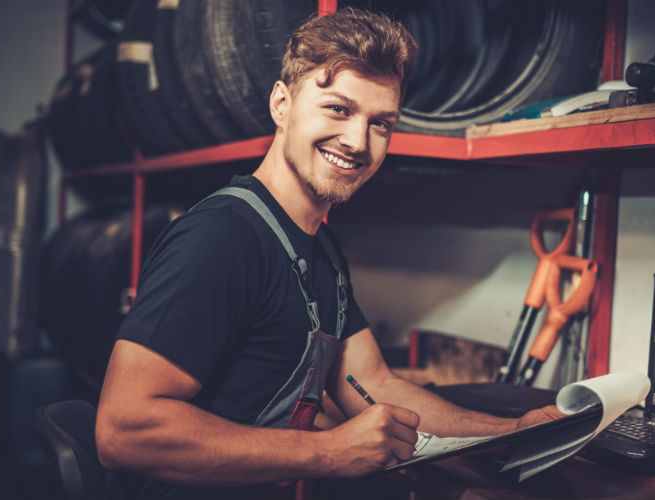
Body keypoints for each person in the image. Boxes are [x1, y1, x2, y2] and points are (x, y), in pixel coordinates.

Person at [95, 7, 564, 498]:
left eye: (380, 123)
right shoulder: (222, 238)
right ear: (282, 104)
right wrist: (330, 452)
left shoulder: (318, 246)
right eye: (338, 109)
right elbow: (123, 430)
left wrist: (514, 435)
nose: (358, 141)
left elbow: (376, 386)